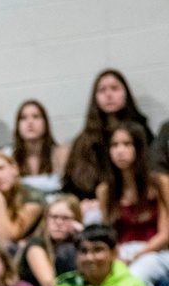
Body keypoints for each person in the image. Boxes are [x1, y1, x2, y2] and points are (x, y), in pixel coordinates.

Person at [96, 123, 169, 286]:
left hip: (156, 252)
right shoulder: (104, 191)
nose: (120, 151)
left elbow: (165, 235)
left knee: (134, 276)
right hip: (122, 253)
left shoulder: (160, 183)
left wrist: (135, 257)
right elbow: (109, 235)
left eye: (127, 144)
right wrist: (117, 257)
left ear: (138, 148)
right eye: (114, 145)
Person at [63, 69, 153, 208]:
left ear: (126, 93)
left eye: (115, 88)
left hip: (137, 202)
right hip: (93, 206)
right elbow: (70, 184)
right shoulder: (84, 141)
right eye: (102, 90)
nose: (109, 94)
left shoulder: (142, 133)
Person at [18, 195, 82, 286]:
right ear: (46, 220)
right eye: (54, 217)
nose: (58, 222)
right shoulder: (36, 246)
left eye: (65, 218)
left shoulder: (75, 246)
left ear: (76, 221)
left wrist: (82, 236)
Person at [12, 99, 69, 199]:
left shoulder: (60, 153)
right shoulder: (10, 157)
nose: (30, 122)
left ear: (45, 123)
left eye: (36, 116)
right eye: (23, 118)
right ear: (18, 125)